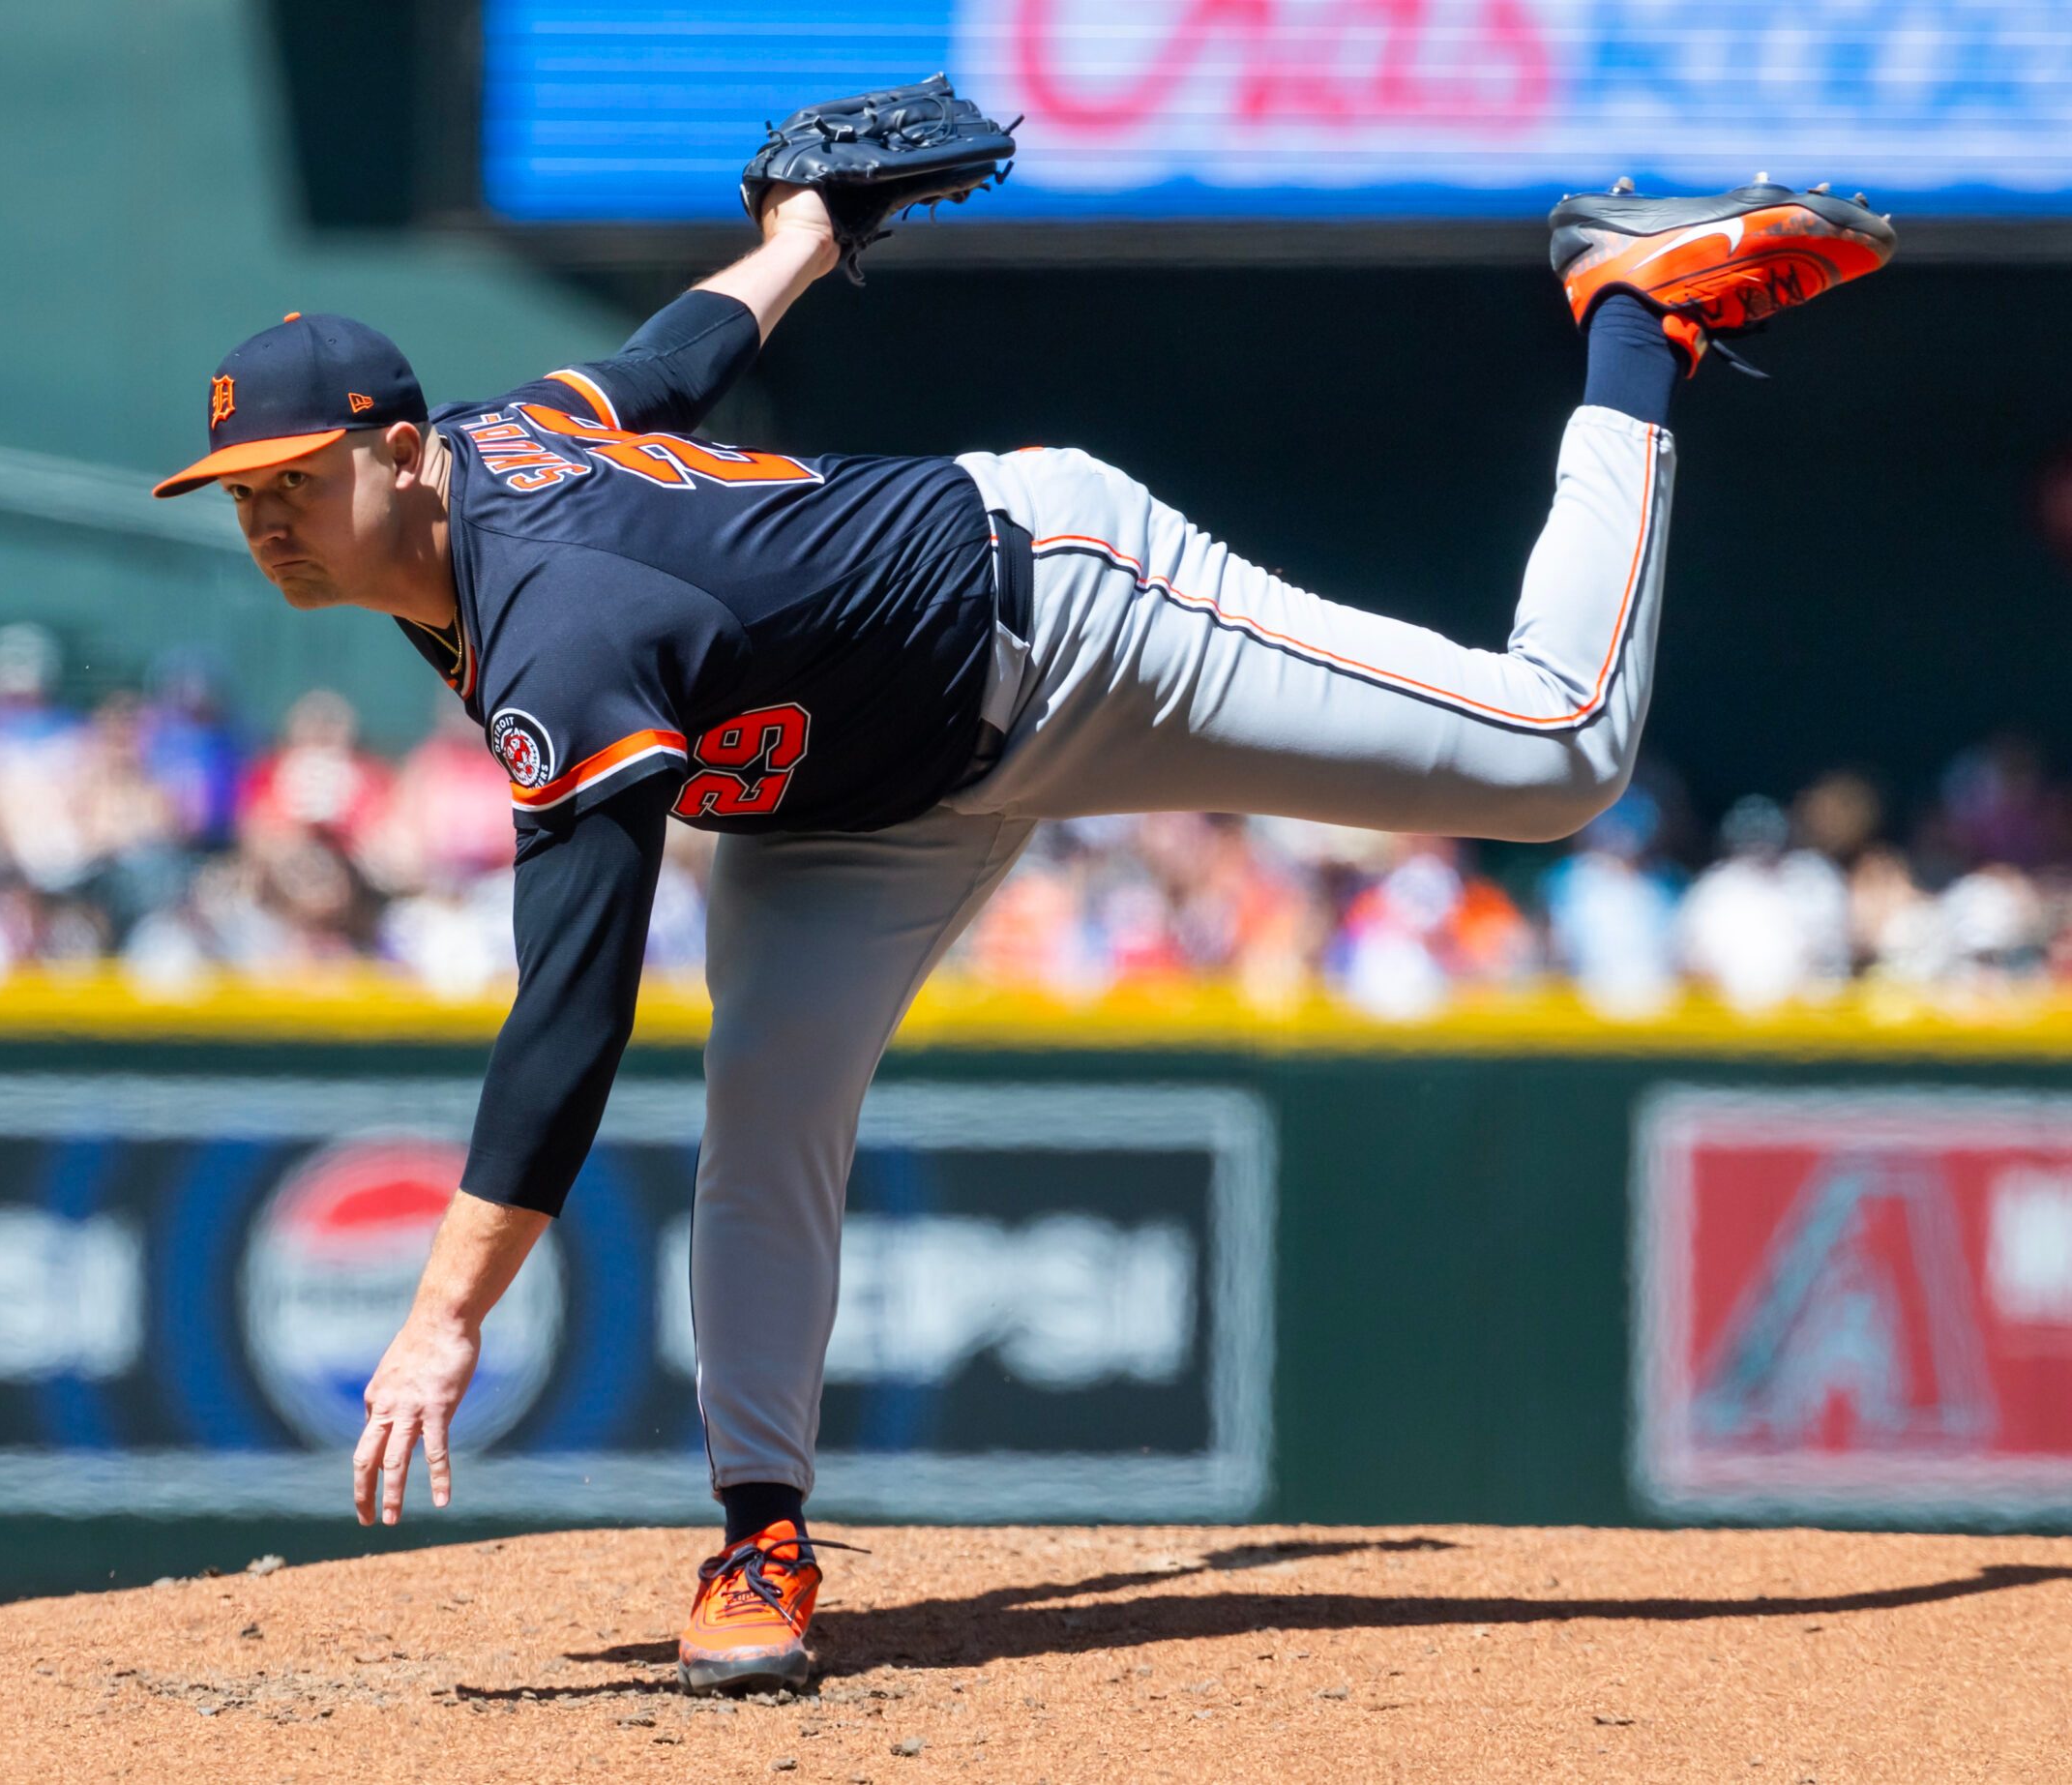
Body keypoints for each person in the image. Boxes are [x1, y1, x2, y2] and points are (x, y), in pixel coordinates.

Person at [151, 175, 1894, 1693]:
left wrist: (449, 1314)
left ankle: (1631, 316)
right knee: (764, 1115)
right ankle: (762, 1539)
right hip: (845, 808)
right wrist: (804, 238)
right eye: (238, 492)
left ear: (400, 450)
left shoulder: (559, 619)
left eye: (287, 480)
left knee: (1554, 751)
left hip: (1062, 621)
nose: (262, 521)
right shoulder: (487, 465)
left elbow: (570, 1014)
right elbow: (673, 353)